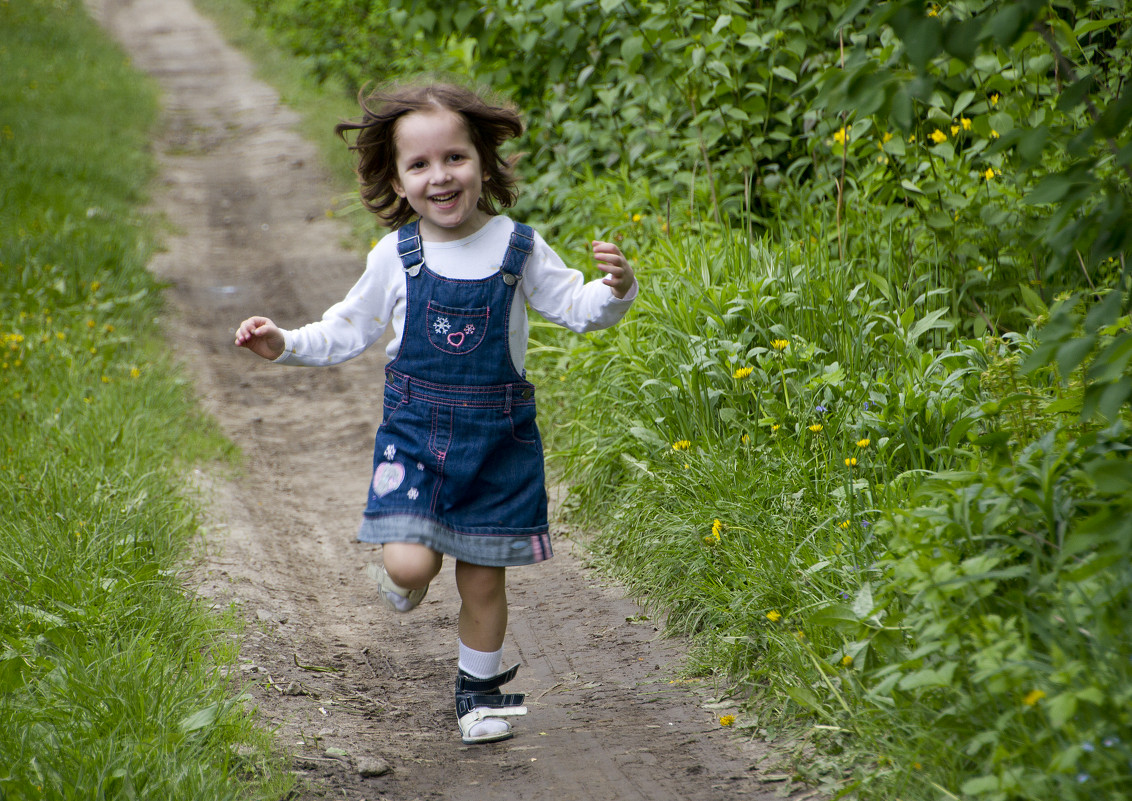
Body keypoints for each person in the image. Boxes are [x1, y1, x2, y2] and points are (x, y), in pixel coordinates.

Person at [234, 81, 637, 745]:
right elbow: (347, 328)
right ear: (396, 177)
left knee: (482, 580)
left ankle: (478, 694)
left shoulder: (519, 246)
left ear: (483, 161)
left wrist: (616, 289)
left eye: (454, 158)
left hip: (496, 443)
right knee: (411, 567)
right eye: (419, 165)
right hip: (416, 440)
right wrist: (285, 344)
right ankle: (397, 573)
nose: (439, 176)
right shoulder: (395, 255)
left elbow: (577, 307)